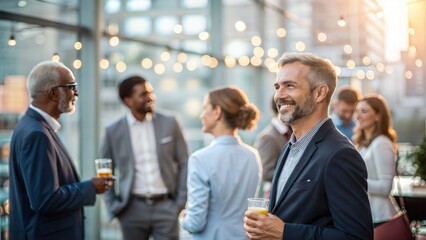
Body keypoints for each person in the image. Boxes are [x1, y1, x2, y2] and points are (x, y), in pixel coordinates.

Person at [244, 52, 373, 239]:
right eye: (277, 87)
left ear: (320, 93)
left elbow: (357, 237)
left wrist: (284, 232)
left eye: (290, 86)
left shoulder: (340, 154)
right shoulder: (291, 145)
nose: (278, 96)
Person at [9, 61, 112, 240]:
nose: (77, 93)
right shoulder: (37, 134)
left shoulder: (32, 125)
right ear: (53, 93)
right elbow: (45, 199)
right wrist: (91, 187)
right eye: (72, 87)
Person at [100, 75, 189, 240]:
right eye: (143, 94)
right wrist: (113, 205)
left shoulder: (170, 122)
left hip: (166, 206)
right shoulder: (113, 131)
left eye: (151, 92)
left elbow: (185, 162)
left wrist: (179, 203)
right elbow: (105, 169)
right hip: (131, 209)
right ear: (128, 100)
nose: (150, 97)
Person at [181, 86, 262, 239]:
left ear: (217, 112)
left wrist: (184, 218)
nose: (201, 115)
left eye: (205, 108)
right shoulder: (252, 155)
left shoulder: (200, 159)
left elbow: (195, 223)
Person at [353, 95, 399, 226]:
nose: (358, 116)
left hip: (381, 218)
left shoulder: (381, 144)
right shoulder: (363, 144)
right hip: (368, 215)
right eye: (357, 111)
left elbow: (385, 187)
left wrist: (354, 181)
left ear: (378, 116)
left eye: (364, 111)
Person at [254, 96, 291, 198]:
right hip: (276, 196)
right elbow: (266, 172)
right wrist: (296, 176)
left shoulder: (290, 132)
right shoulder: (267, 137)